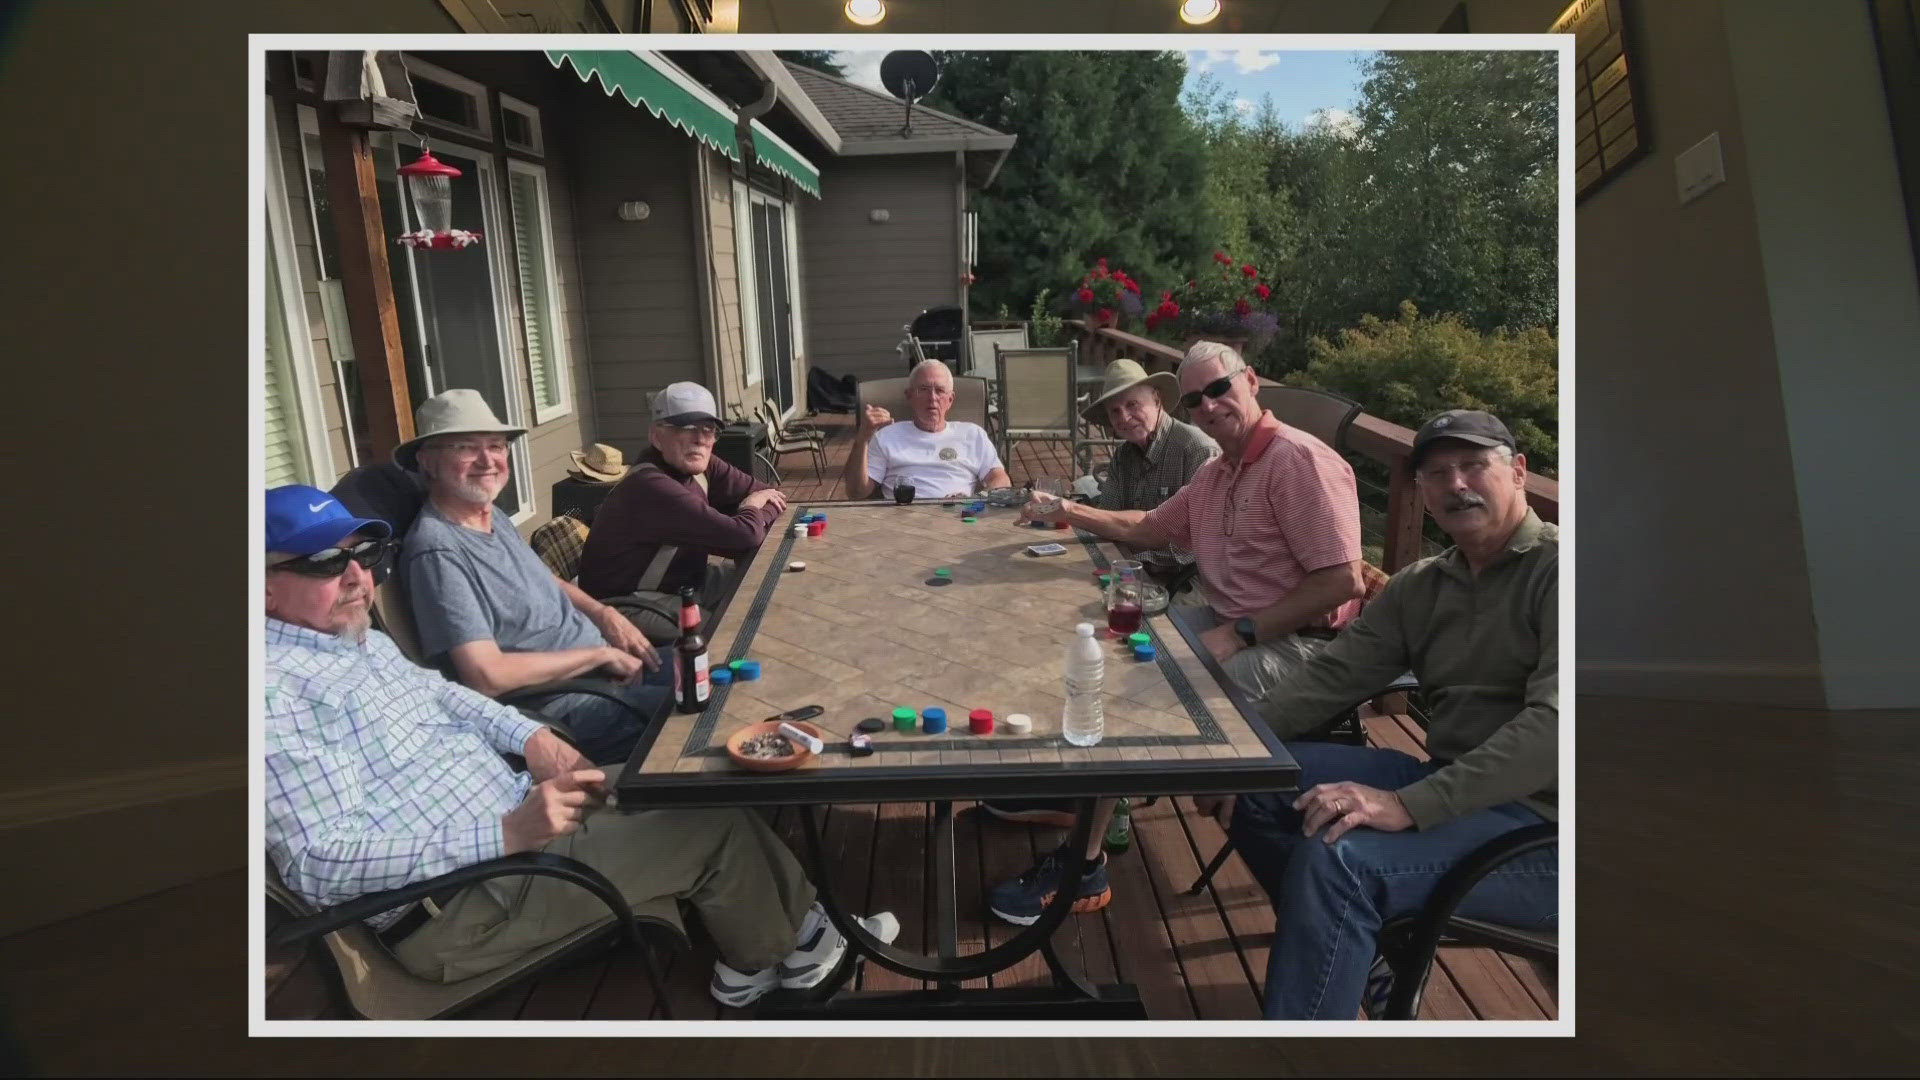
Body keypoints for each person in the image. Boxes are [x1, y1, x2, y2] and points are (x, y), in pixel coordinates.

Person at [265, 489, 897, 1007]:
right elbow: (319, 864)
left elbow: (445, 695)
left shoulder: (352, 640)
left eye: (366, 552)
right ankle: (786, 956)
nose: (356, 575)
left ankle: (788, 939)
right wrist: (507, 835)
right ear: (262, 585)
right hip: (461, 907)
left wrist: (530, 734)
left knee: (696, 783)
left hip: (519, 821)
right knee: (711, 825)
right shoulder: (270, 696)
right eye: (323, 561)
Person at [985, 341, 1367, 925]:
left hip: (1295, 646)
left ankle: (1084, 866)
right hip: (1221, 619)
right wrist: (1064, 508)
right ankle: (1085, 796)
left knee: (1133, 709)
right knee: (1098, 661)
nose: (1209, 406)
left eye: (1219, 389)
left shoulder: (1298, 461)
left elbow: (1343, 580)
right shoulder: (1219, 472)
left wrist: (1240, 633)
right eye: (1195, 398)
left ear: (1251, 381)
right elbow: (1148, 527)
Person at [1195, 409, 1559, 1020]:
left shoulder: (1562, 572)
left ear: (1519, 472)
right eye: (1437, 473)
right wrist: (1235, 752)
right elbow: (1332, 676)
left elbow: (1555, 730)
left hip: (1544, 830)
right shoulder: (1423, 585)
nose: (1457, 485)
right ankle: (1352, 953)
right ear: (1422, 490)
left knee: (1339, 862)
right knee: (1259, 784)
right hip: (1452, 783)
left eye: (1474, 465)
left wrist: (1405, 806)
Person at [392, 390, 668, 767]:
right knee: (708, 711)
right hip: (570, 708)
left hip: (606, 672)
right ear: (428, 462)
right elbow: (486, 675)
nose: (487, 460)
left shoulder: (491, 515)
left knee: (718, 667)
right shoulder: (437, 551)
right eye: (465, 448)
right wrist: (599, 654)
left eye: (496, 445)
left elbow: (545, 580)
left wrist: (605, 615)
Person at [578, 383, 790, 645]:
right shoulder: (651, 487)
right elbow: (744, 535)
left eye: (708, 429)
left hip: (682, 580)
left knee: (770, 589)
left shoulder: (700, 463)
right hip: (625, 603)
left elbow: (769, 494)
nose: (700, 439)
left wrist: (755, 506)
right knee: (728, 631)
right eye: (685, 428)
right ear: (657, 436)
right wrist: (750, 508)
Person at [1078, 357, 1218, 585]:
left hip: (1187, 584)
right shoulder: (1123, 456)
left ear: (1156, 400)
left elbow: (1201, 543)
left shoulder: (1198, 450)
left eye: (1132, 404)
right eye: (1115, 411)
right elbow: (1108, 517)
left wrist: (1135, 562)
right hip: (1128, 570)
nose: (1124, 417)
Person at [844, 358, 1012, 500]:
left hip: (959, 517)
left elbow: (999, 478)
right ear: (909, 396)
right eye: (923, 390)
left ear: (950, 400)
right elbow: (856, 492)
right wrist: (862, 439)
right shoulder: (886, 436)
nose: (932, 398)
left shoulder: (972, 434)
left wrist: (978, 499)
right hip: (901, 520)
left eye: (939, 391)